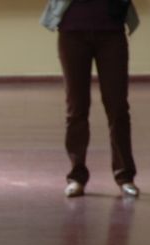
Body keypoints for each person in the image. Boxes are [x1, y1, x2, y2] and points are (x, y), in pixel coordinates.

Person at [41, 0, 140, 197]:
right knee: (76, 108)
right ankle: (76, 176)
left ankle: (125, 177)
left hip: (111, 30)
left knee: (118, 107)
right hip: (72, 30)